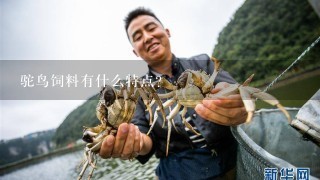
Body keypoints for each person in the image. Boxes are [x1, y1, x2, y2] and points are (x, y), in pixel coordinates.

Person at [99, 7, 247, 179]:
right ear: (135, 52)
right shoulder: (139, 91)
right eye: (138, 37)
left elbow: (235, 91)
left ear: (167, 32)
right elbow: (144, 137)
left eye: (151, 28)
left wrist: (238, 102)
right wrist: (134, 141)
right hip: (179, 172)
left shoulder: (203, 63)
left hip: (232, 159)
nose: (147, 37)